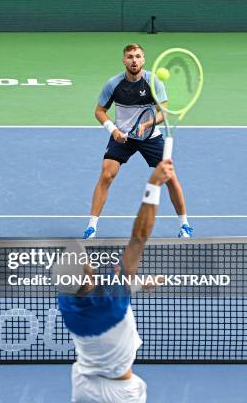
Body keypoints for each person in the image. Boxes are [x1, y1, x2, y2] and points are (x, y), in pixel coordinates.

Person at [56, 159, 175, 402]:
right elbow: (139, 237)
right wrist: (153, 184)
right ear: (85, 274)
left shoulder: (69, 301)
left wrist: (139, 284)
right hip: (120, 394)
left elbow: (101, 291)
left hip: (84, 386)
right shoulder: (110, 300)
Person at [83, 43, 192, 239]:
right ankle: (91, 226)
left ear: (143, 59)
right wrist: (113, 130)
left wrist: (147, 124)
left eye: (138, 56)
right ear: (124, 60)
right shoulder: (113, 84)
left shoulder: (154, 82)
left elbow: (164, 111)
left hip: (149, 136)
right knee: (107, 174)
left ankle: (184, 225)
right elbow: (99, 111)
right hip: (123, 135)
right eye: (130, 57)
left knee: (170, 177)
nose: (134, 60)